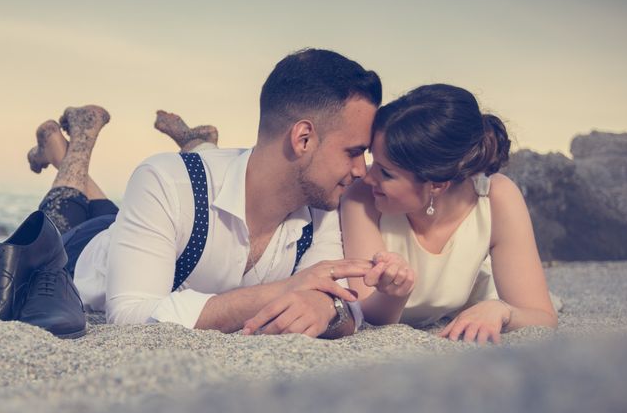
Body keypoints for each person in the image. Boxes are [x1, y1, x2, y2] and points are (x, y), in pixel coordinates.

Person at [27, 48, 385, 338]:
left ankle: (191, 144)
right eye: (353, 152)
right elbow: (131, 315)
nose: (361, 171)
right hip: (79, 250)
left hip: (150, 225)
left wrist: (326, 308)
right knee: (64, 207)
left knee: (122, 209)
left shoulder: (323, 205)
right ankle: (67, 145)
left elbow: (344, 302)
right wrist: (285, 290)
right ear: (303, 139)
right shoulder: (164, 180)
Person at [335, 84, 558, 344]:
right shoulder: (361, 197)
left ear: (438, 184)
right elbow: (365, 314)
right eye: (374, 160)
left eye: (385, 172)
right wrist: (393, 294)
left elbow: (542, 316)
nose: (366, 175)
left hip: (478, 298)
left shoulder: (497, 198)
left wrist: (501, 310)